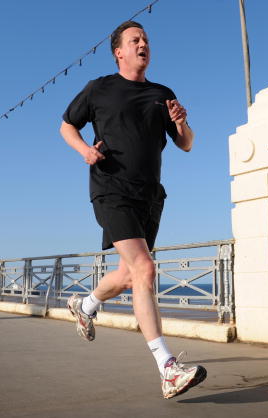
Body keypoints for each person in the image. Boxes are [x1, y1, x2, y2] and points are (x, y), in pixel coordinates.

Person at [59, 20, 206, 399]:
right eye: (134, 40)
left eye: (146, 40)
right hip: (110, 189)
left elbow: (186, 144)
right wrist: (85, 151)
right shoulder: (99, 88)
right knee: (145, 268)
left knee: (129, 274)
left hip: (149, 196)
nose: (143, 44)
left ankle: (85, 304)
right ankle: (168, 369)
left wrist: (181, 122)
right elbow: (66, 126)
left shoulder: (162, 93)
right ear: (118, 52)